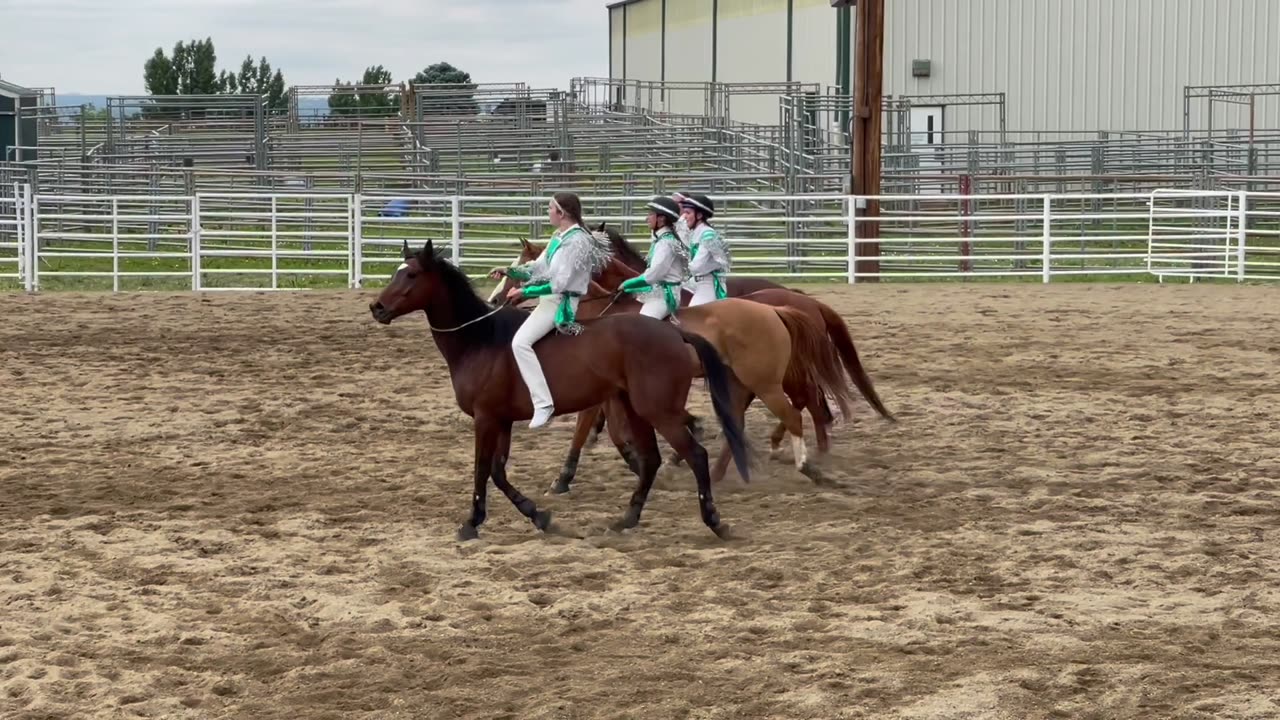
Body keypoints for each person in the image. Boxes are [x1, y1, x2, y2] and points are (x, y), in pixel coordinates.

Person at [489, 192, 611, 429]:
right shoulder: (560, 236)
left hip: (561, 302)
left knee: (520, 343)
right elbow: (538, 267)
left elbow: (562, 282)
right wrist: (509, 271)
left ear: (562, 213)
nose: (548, 212)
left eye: (550, 208)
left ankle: (543, 403)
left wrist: (526, 292)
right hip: (550, 298)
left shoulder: (577, 241)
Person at [619, 196, 690, 320]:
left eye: (651, 214)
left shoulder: (666, 243)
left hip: (664, 297)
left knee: (641, 326)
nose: (647, 218)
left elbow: (654, 274)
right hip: (657, 292)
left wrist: (628, 284)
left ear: (661, 219)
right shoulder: (661, 240)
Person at [680, 193, 730, 306]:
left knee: (692, 314)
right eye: (684, 213)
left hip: (708, 285)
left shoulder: (708, 235)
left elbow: (696, 265)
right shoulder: (694, 233)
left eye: (688, 213)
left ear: (699, 215)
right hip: (694, 282)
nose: (684, 217)